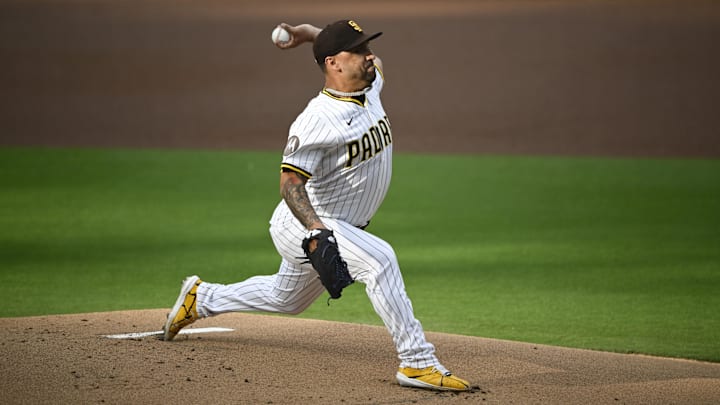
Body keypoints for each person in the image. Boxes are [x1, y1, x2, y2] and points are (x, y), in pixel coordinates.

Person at [162, 19, 472, 392]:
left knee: (285, 298)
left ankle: (201, 297)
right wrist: (316, 230)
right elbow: (290, 183)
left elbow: (367, 60)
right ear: (333, 63)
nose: (368, 55)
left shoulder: (370, 87)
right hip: (304, 223)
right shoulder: (316, 120)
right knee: (380, 260)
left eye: (366, 46)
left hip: (338, 224)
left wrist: (312, 34)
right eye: (357, 50)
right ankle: (417, 362)